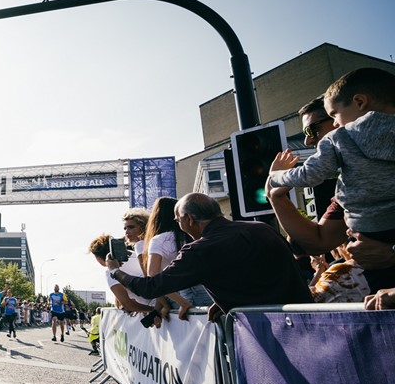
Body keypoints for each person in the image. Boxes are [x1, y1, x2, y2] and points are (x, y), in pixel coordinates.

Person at [268, 68, 395, 289]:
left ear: (359, 102)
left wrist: (277, 176)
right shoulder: (349, 186)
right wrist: (276, 197)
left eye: (312, 131)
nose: (308, 142)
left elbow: (310, 175)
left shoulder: (339, 138)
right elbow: (319, 241)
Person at [107, 193, 313, 321]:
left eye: (178, 221)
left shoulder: (201, 249)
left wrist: (116, 271)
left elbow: (151, 287)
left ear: (189, 219)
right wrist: (224, 301)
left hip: (268, 331)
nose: (179, 227)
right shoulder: (262, 229)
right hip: (309, 319)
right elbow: (254, 273)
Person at [143, 197, 212, 320]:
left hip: (183, 295)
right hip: (210, 291)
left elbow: (153, 275)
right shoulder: (193, 236)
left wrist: (181, 302)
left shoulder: (159, 240)